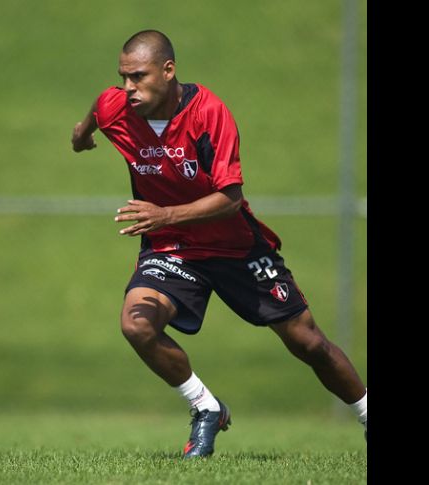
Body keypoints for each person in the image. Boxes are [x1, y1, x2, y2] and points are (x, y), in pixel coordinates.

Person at [70, 30, 367, 458]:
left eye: (138, 76)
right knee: (136, 324)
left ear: (168, 70)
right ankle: (206, 407)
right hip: (172, 248)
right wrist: (82, 134)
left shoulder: (209, 112)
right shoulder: (116, 105)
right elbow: (96, 114)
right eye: (123, 77)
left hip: (236, 247)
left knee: (308, 343)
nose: (128, 88)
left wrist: (165, 214)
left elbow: (230, 199)